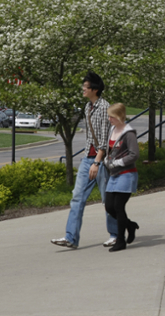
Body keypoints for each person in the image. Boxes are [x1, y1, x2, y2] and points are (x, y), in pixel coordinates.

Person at [51, 71, 117, 249]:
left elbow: (104, 138)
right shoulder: (88, 107)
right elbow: (90, 137)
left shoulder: (104, 107)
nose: (83, 89)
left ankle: (115, 234)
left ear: (94, 89)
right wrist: (88, 159)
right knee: (77, 198)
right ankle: (70, 237)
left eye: (85, 87)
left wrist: (96, 162)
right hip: (88, 158)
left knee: (107, 199)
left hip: (101, 161)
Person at [104, 103, 140, 252]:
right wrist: (106, 160)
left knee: (118, 207)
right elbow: (111, 150)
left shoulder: (129, 133)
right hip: (113, 174)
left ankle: (121, 241)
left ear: (119, 117)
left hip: (126, 174)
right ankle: (130, 225)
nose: (109, 119)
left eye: (111, 116)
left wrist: (118, 162)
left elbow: (134, 154)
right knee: (109, 207)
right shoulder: (112, 129)